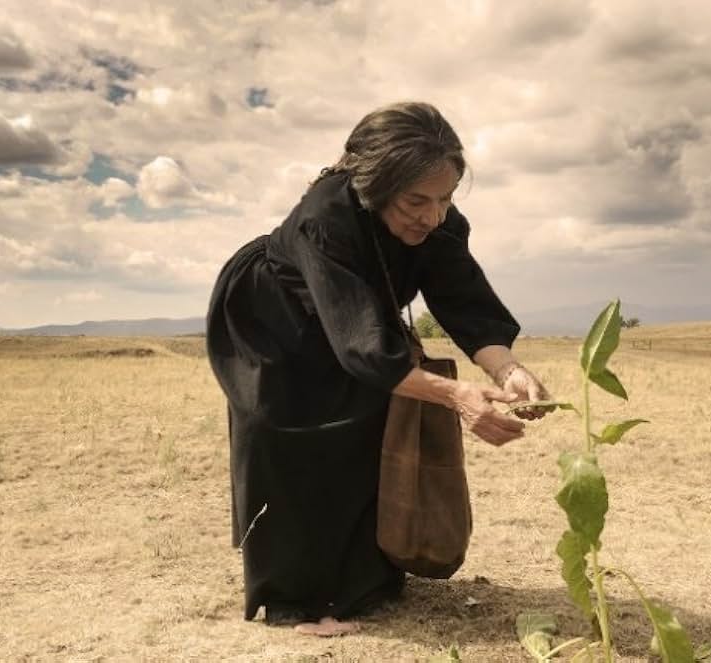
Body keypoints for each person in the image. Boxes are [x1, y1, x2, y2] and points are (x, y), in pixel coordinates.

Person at [206, 101, 552, 637]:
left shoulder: (439, 222)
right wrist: (458, 398)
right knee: (286, 439)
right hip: (273, 320)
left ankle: (367, 582)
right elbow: (362, 347)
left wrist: (506, 369)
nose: (433, 216)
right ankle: (295, 596)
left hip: (352, 325)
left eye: (445, 199)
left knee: (368, 429)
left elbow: (462, 296)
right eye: (417, 200)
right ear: (375, 185)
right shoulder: (326, 216)